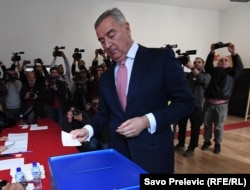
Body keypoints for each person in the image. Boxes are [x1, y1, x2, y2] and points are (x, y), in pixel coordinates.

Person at [70, 7, 194, 173]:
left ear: (127, 28)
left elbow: (185, 102)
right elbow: (103, 113)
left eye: (111, 35)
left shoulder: (161, 59)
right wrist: (88, 130)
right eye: (101, 41)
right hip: (119, 157)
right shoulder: (106, 77)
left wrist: (146, 121)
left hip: (154, 157)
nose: (107, 45)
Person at [201, 43, 243, 154]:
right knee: (207, 124)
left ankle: (217, 144)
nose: (223, 61)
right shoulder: (213, 71)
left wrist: (233, 53)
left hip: (222, 105)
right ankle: (206, 141)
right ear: (217, 63)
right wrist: (212, 51)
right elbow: (208, 65)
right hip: (208, 104)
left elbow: (239, 66)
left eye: (225, 60)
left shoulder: (232, 73)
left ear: (229, 63)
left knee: (219, 126)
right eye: (221, 60)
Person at [174, 57, 211, 157]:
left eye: (199, 62)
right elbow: (177, 75)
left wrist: (192, 68)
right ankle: (181, 143)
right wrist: (179, 63)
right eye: (195, 62)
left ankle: (192, 148)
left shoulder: (206, 76)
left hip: (196, 106)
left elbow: (202, 80)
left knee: (195, 128)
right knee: (181, 126)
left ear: (203, 64)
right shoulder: (188, 75)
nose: (196, 63)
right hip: (184, 104)